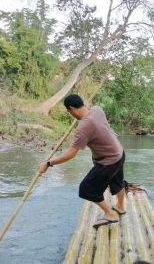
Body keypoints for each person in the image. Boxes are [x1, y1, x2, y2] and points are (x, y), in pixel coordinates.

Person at [38, 94, 126, 229]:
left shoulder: (83, 128)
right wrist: (83, 106)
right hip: (119, 153)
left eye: (69, 112)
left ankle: (110, 214)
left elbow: (71, 153)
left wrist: (49, 163)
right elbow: (87, 106)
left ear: (71, 108)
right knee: (117, 182)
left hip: (108, 161)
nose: (70, 114)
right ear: (83, 104)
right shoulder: (97, 110)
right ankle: (120, 207)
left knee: (86, 189)